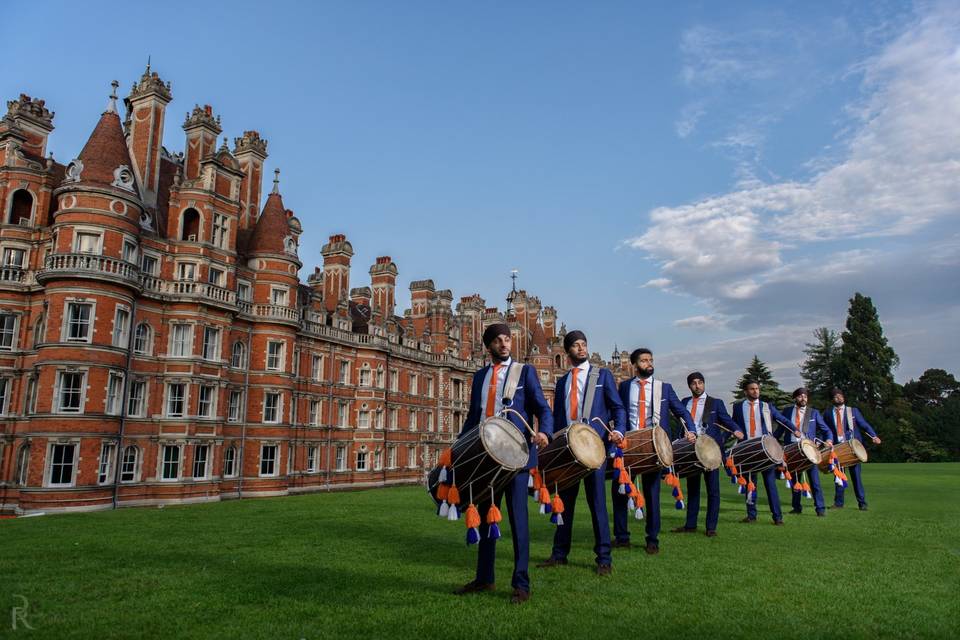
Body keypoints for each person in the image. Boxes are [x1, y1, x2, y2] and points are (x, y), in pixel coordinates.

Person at [454, 323, 553, 604]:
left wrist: (544, 430)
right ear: (489, 346)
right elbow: (473, 419)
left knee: (518, 521)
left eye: (507, 339)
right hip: (485, 458)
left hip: (517, 457)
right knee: (486, 519)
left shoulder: (525, 372)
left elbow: (542, 409)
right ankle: (485, 578)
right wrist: (456, 450)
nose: (504, 344)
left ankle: (521, 584)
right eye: (498, 340)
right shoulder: (480, 376)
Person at [537, 330, 625, 575]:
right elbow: (557, 418)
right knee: (564, 505)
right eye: (575, 345)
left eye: (584, 344)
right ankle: (559, 554)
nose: (581, 348)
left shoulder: (602, 375)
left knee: (597, 504)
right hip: (567, 450)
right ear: (567, 352)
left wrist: (619, 431)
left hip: (593, 449)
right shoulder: (563, 381)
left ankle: (604, 559)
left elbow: (618, 408)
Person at [612, 348, 696, 554]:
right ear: (634, 365)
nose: (649, 363)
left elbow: (681, 411)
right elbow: (616, 411)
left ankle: (652, 539)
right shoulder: (623, 387)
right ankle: (622, 537)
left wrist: (691, 429)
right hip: (628, 444)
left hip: (654, 446)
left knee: (652, 493)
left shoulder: (663, 388)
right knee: (620, 491)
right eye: (644, 360)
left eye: (650, 360)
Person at [674, 371, 744, 537]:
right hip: (690, 449)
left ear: (704, 384)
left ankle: (710, 527)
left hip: (710, 450)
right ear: (689, 386)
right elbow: (680, 423)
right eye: (693, 383)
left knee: (713, 490)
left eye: (700, 382)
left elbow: (726, 419)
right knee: (693, 489)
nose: (697, 386)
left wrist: (736, 429)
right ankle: (690, 525)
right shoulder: (685, 402)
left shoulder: (715, 403)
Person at [731, 379, 792, 525]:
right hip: (747, 449)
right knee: (750, 483)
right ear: (745, 391)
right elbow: (733, 424)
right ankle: (751, 515)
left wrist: (794, 429)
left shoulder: (766, 406)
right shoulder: (738, 407)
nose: (755, 391)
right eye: (752, 389)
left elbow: (781, 419)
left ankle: (777, 518)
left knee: (770, 483)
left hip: (765, 449)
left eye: (757, 388)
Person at [775, 387, 833, 517]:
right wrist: (772, 441)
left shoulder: (813, 413)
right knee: (795, 480)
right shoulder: (787, 411)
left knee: (814, 481)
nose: (803, 399)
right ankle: (796, 507)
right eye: (800, 396)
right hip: (791, 450)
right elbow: (780, 430)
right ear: (795, 398)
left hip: (809, 451)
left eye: (805, 396)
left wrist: (828, 439)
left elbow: (826, 430)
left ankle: (820, 508)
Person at [822, 387, 881, 511]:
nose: (838, 397)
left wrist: (874, 435)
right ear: (832, 399)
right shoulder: (827, 413)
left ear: (843, 397)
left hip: (851, 448)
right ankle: (838, 503)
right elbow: (824, 429)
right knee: (838, 477)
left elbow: (864, 424)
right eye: (835, 396)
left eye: (840, 395)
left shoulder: (852, 411)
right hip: (837, 449)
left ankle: (862, 503)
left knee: (856, 477)